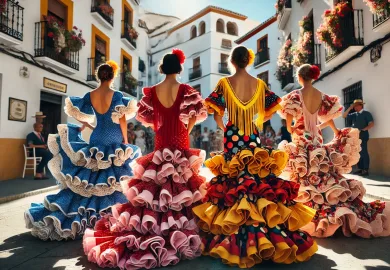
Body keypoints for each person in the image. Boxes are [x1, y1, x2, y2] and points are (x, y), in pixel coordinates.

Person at [192, 46, 317, 268]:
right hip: (252, 136)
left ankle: (236, 229)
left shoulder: (224, 84)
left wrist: (225, 126)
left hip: (232, 136)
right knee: (256, 176)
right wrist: (258, 120)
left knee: (235, 177)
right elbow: (272, 108)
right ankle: (268, 231)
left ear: (232, 61)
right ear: (248, 60)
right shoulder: (259, 85)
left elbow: (216, 112)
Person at [83, 49, 208, 268]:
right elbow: (195, 114)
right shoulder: (186, 89)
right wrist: (185, 129)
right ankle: (179, 227)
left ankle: (155, 224)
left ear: (162, 68)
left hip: (161, 137)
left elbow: (146, 118)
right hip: (179, 136)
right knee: (180, 179)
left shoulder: (153, 91)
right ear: (178, 68)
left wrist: (158, 126)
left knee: (158, 179)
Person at [25, 60, 141, 241]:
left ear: (98, 76)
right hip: (114, 135)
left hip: (97, 136)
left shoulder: (90, 94)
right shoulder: (117, 94)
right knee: (113, 177)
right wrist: (125, 140)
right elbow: (122, 119)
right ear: (112, 77)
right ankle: (110, 213)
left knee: (92, 178)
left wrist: (84, 127)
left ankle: (85, 213)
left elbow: (83, 116)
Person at [278, 64, 390, 238]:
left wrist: (291, 128)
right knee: (321, 171)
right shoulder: (321, 96)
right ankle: (330, 205)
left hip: (302, 138)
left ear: (300, 77)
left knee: (304, 173)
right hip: (317, 138)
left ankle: (308, 211)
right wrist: (337, 132)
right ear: (312, 77)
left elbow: (289, 118)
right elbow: (329, 118)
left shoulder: (295, 95)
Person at [343, 99, 374, 176]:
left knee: (363, 152)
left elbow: (371, 124)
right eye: (354, 106)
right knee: (357, 153)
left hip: (363, 135)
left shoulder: (366, 114)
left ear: (360, 105)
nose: (354, 107)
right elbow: (344, 116)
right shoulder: (354, 114)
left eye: (355, 105)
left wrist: (364, 129)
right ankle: (360, 169)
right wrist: (350, 108)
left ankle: (365, 169)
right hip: (354, 137)